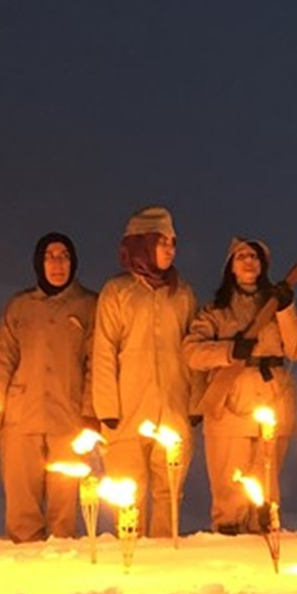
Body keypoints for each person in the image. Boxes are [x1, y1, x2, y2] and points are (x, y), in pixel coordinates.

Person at [183, 238, 297, 534]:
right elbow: (191, 353)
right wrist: (229, 351)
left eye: (254, 256)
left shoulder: (277, 306)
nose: (248, 261)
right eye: (241, 256)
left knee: (267, 483)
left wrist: (286, 308)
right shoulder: (215, 311)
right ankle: (229, 537)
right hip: (230, 403)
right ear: (231, 266)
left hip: (273, 399)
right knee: (230, 483)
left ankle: (266, 538)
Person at [0, 232, 97, 542]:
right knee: (22, 508)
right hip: (22, 418)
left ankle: (60, 568)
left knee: (63, 510)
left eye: (64, 256)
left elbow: (94, 365)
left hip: (68, 419)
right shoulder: (20, 306)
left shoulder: (88, 305)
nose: (57, 264)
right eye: (50, 256)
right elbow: (2, 359)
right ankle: (24, 568)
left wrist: (90, 413)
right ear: (38, 262)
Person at [91, 206, 198, 535]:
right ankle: (129, 564)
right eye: (161, 241)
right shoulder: (117, 292)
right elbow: (104, 351)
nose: (169, 249)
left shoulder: (181, 293)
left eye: (172, 243)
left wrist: (196, 402)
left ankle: (164, 561)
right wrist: (106, 408)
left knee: (169, 493)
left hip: (173, 409)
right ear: (142, 244)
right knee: (128, 494)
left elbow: (194, 349)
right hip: (126, 413)